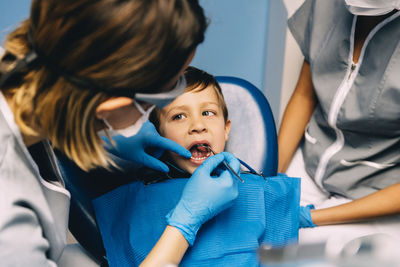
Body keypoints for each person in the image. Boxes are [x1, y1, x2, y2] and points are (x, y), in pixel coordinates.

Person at [0, 1, 243, 266]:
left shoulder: (28, 69)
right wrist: (184, 225)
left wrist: (99, 136)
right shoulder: (12, 228)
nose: (197, 125)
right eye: (165, 100)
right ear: (110, 105)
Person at [92, 67, 301, 267]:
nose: (198, 126)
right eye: (179, 116)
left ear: (226, 129)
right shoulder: (135, 204)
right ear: (158, 135)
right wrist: (185, 221)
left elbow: (293, 218)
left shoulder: (254, 187)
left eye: (208, 113)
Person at [278, 0, 400, 245]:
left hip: (373, 191)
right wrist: (267, 178)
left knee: (303, 255)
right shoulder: (325, 5)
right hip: (309, 160)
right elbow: (304, 95)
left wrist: (314, 217)